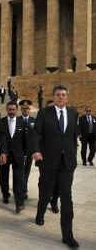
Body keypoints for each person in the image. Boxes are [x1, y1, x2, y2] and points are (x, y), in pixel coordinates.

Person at [32, 85, 79, 248]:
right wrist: (36, 151)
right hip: (48, 162)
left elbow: (73, 137)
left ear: (67, 98)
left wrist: (73, 157)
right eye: (58, 95)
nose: (60, 97)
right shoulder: (44, 113)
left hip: (67, 164)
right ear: (54, 97)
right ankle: (40, 212)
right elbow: (36, 134)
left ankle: (67, 235)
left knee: (67, 198)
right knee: (46, 192)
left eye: (63, 95)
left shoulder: (73, 113)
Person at [0, 101, 34, 213]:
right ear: (6, 110)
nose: (11, 112)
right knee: (4, 176)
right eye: (9, 109)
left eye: (13, 109)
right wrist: (3, 152)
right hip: (4, 154)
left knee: (18, 178)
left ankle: (19, 203)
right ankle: (5, 194)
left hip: (18, 155)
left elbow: (27, 140)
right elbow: (2, 138)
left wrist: (25, 154)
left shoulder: (22, 122)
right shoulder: (2, 122)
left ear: (17, 110)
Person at [19, 100, 35, 201]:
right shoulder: (17, 120)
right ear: (21, 110)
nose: (25, 110)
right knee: (19, 172)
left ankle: (23, 189)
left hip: (29, 152)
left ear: (30, 109)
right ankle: (22, 190)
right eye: (23, 108)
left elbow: (36, 136)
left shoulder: (34, 120)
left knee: (27, 171)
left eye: (27, 108)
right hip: (19, 151)